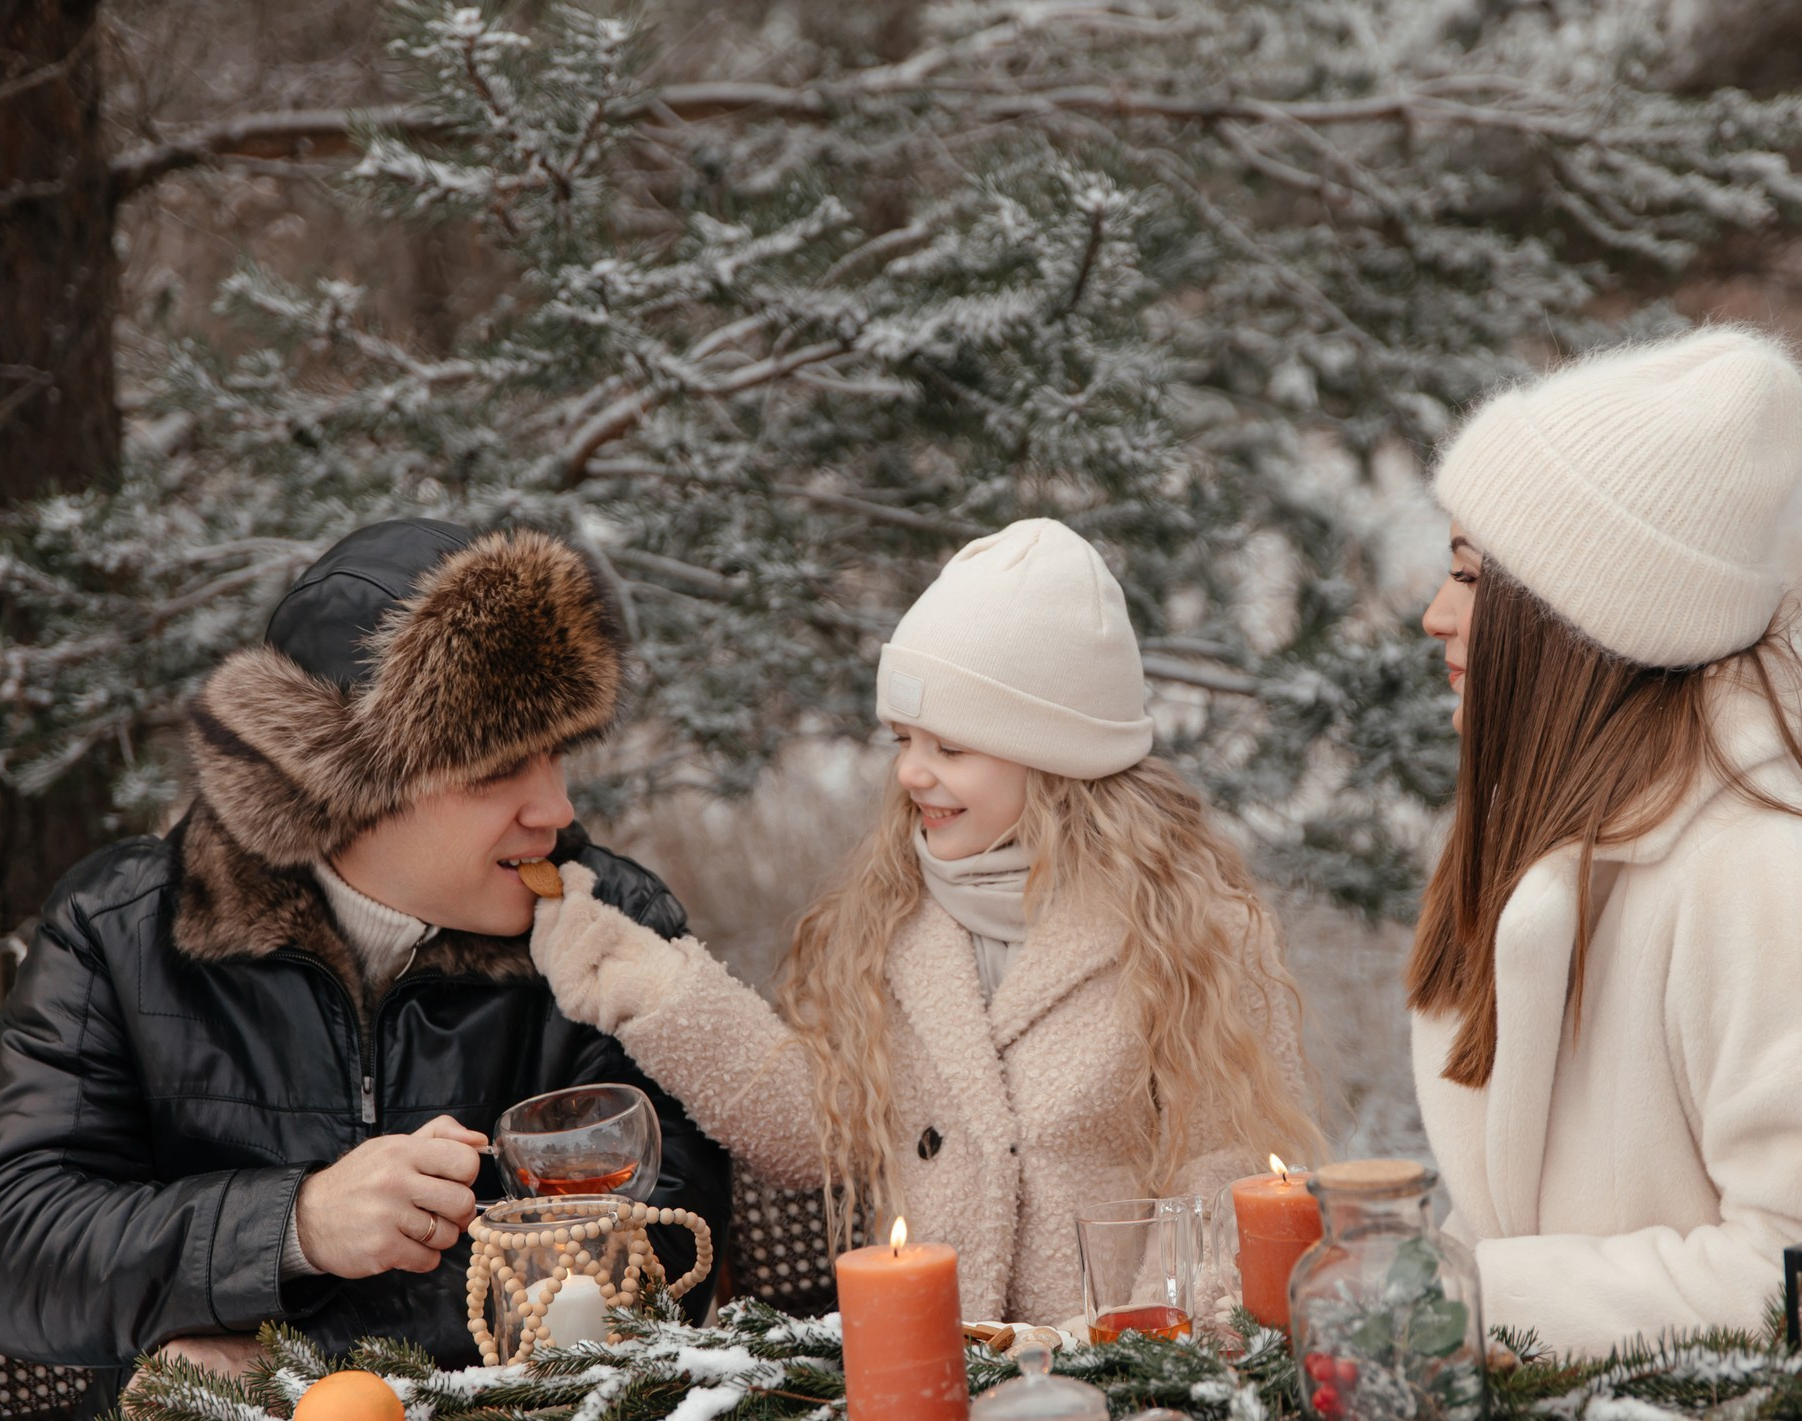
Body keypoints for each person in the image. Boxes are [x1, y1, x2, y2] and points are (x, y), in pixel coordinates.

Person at [0, 521, 729, 1421]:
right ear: (338, 787)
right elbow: (5, 1250)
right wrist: (293, 1227)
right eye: (496, 769)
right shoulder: (120, 927)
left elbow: (668, 1266)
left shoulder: (612, 932)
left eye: (559, 754)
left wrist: (274, 1348)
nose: (553, 808)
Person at [527, 517, 1321, 1325]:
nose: (911, 771)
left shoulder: (1190, 931)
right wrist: (654, 985)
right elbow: (816, 1130)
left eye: (949, 746)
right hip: (931, 1374)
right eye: (904, 738)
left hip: (1121, 1400)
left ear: (1052, 756)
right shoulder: (892, 920)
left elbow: (1227, 1172)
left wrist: (1130, 1350)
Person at [1409, 327, 1802, 1353]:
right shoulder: (1564, 859)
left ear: (1575, 617)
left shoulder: (1766, 887)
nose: (1433, 616)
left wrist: (1468, 1301)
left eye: (1468, 576)